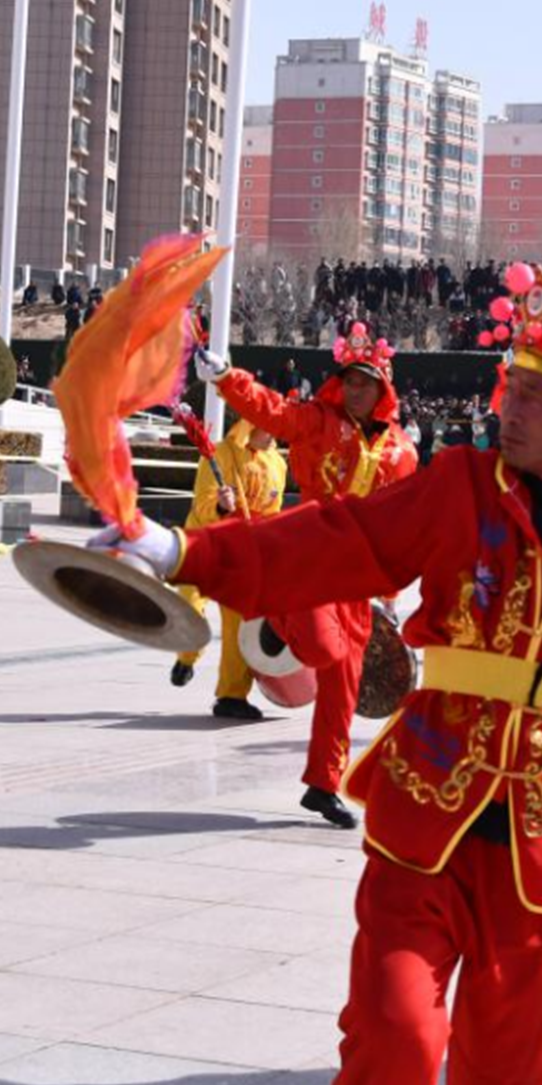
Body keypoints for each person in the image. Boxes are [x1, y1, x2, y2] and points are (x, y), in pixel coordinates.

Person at [92, 264, 542, 1085]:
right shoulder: (459, 484)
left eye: (538, 395)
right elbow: (340, 540)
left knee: (510, 1075)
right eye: (512, 385)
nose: (509, 405)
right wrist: (185, 553)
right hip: (428, 801)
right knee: (394, 1033)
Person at [197, 322, 418, 828]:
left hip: (356, 578)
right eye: (351, 381)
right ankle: (274, 607)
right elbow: (273, 410)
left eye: (366, 383)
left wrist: (391, 591)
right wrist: (229, 379)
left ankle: (323, 784)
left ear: (383, 389)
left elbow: (402, 523)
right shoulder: (321, 422)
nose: (357, 391)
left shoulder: (401, 452)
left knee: (344, 685)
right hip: (309, 555)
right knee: (322, 649)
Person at [170, 419, 287, 718]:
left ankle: (231, 696)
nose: (274, 430)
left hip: (241, 554)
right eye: (269, 423)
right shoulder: (220, 454)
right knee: (190, 607)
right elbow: (202, 505)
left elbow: (273, 512)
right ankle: (186, 657)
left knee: (241, 625)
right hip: (204, 547)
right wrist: (221, 506)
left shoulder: (277, 463)